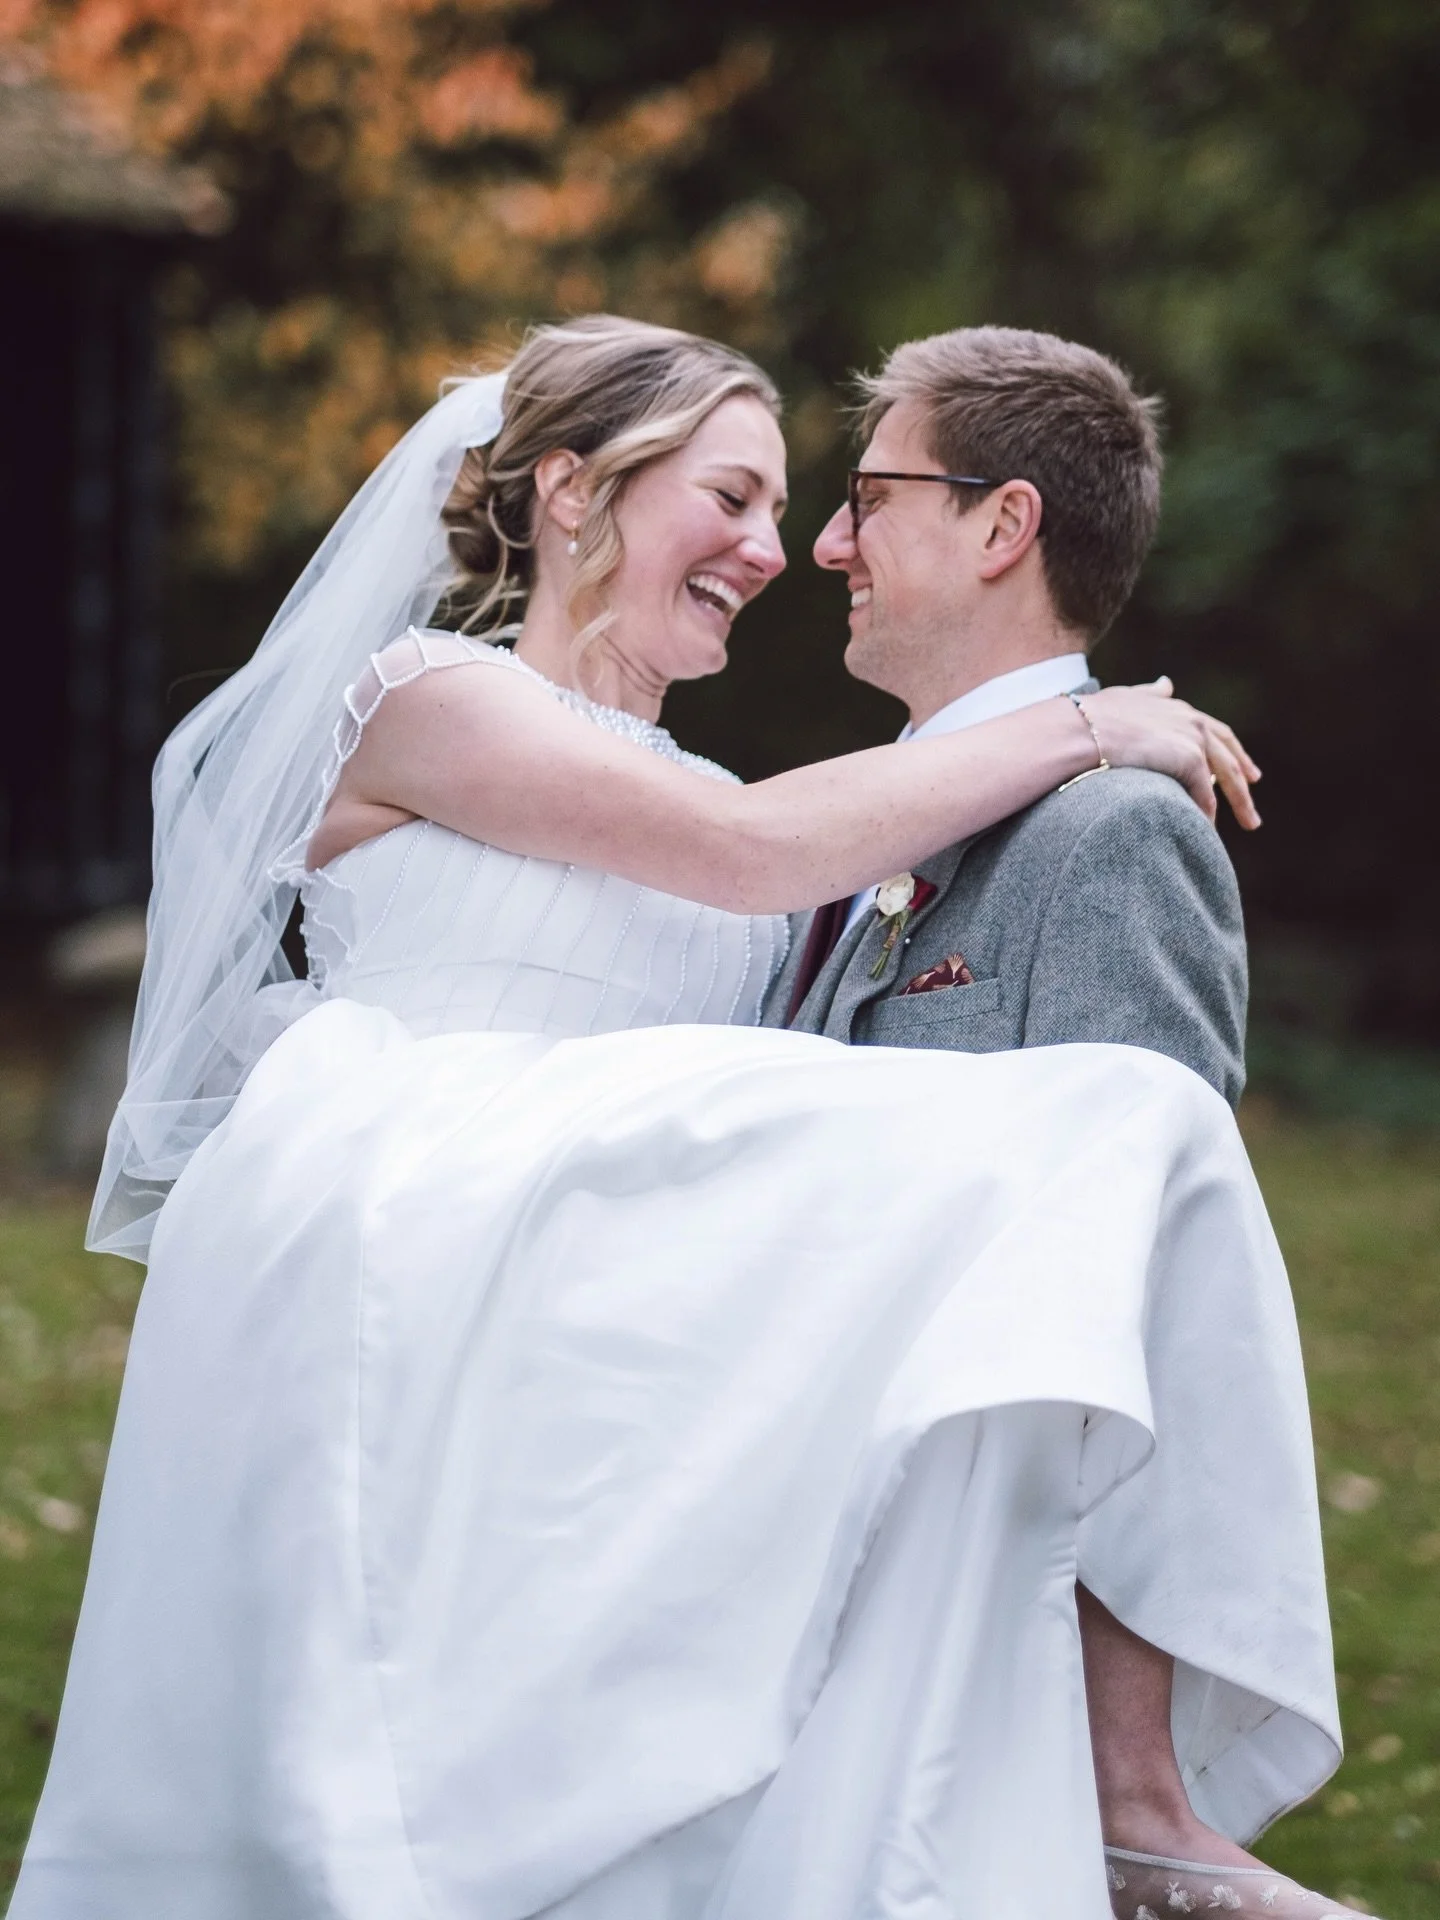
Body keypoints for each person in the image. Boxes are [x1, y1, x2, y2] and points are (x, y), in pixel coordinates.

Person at [11, 316, 1348, 1920]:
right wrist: (1088, 719)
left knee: (1125, 1133)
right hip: (418, 1237)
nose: (778, 550)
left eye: (796, 508)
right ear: (574, 492)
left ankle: (1120, 1797)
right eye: (735, 497)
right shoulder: (430, 700)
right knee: (353, 1768)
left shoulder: (706, 783)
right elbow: (750, 856)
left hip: (606, 1316)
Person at [768, 323, 1346, 1918]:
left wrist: (1123, 1787)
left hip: (977, 1651)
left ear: (1002, 524)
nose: (827, 543)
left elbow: (1139, 1297)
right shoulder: (862, 814)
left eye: (868, 496)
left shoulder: (1112, 837)